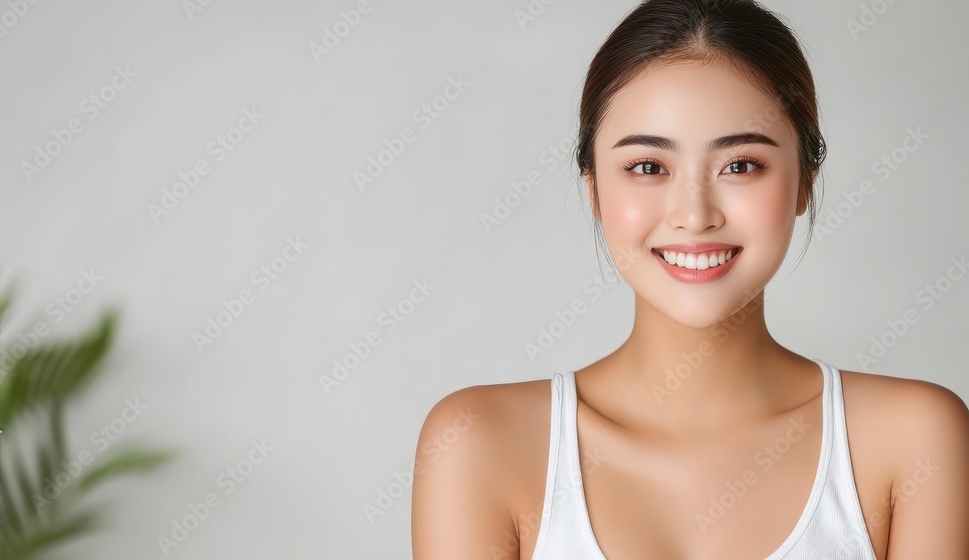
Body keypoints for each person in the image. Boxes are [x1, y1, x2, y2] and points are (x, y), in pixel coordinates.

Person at [411, 0, 969, 558]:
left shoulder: (916, 441)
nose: (695, 215)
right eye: (648, 167)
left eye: (741, 165)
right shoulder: (478, 444)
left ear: (805, 181)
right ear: (594, 190)